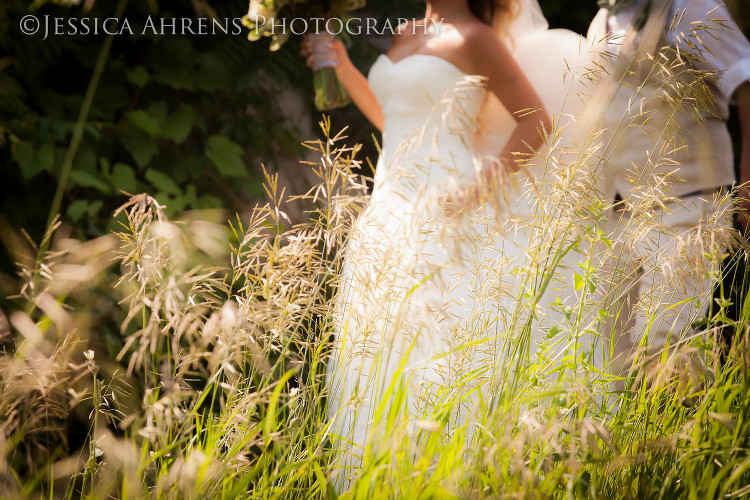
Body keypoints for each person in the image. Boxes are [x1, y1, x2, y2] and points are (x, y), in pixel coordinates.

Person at [301, 0, 585, 490]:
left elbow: (536, 120)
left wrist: (480, 186)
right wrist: (343, 67)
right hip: (389, 206)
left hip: (445, 201)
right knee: (377, 348)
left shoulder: (476, 38)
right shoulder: (405, 30)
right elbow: (396, 123)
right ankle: (378, 476)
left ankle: (442, 475)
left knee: (434, 348)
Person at [584, 0, 750, 385]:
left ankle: (684, 438)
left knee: (668, 346)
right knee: (611, 358)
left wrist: (747, 177)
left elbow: (746, 81)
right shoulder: (602, 19)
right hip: (617, 210)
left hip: (687, 199)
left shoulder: (691, 5)